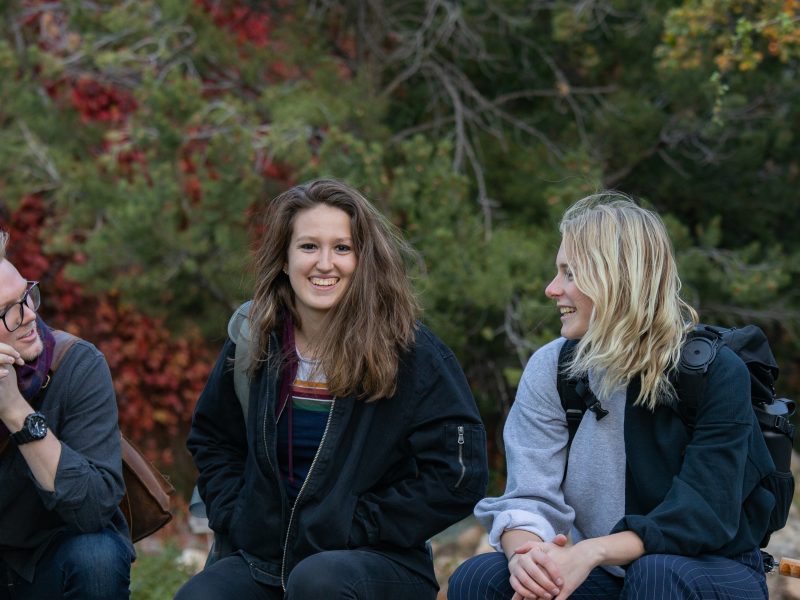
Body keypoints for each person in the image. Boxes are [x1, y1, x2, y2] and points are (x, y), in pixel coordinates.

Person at [447, 192, 774, 600]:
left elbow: (701, 513)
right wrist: (525, 559)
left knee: (655, 574)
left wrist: (592, 551)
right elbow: (530, 497)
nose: (551, 289)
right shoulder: (552, 368)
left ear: (618, 279)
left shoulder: (714, 372)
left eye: (570, 273)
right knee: (482, 579)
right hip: (607, 573)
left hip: (713, 570)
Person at [176, 178, 488, 600]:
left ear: (363, 260)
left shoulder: (412, 354)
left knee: (318, 582)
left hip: (374, 564)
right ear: (285, 260)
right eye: (308, 247)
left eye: (342, 248)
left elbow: (458, 475)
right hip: (266, 560)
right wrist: (239, 515)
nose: (325, 263)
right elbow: (213, 439)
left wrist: (360, 523)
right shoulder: (254, 341)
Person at [0, 232, 134, 599]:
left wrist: (14, 410)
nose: (29, 315)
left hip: (52, 559)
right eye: (8, 311)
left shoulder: (76, 363)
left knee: (98, 557)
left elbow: (93, 510)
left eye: (26, 296)